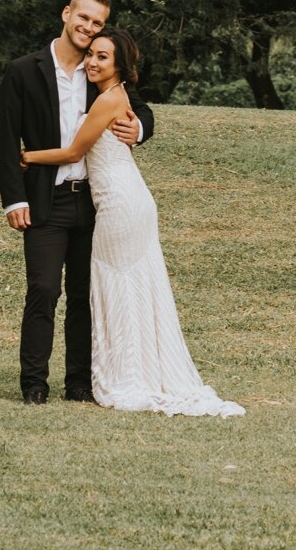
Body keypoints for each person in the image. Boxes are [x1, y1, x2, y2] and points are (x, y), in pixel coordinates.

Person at [20, 24, 243, 418]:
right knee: (128, 284)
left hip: (120, 203)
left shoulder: (110, 98)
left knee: (115, 283)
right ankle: (132, 368)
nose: (92, 61)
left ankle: (126, 374)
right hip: (121, 199)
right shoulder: (106, 93)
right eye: (91, 54)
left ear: (120, 65)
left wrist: (29, 157)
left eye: (102, 56)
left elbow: (75, 152)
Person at [0, 0, 154, 405]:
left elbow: (142, 109)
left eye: (97, 23)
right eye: (83, 18)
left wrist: (138, 130)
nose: (88, 28)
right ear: (67, 14)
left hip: (96, 204)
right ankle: (34, 383)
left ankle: (79, 383)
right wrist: (14, 199)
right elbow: (5, 138)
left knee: (85, 293)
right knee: (44, 290)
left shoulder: (99, 69)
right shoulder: (24, 70)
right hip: (46, 200)